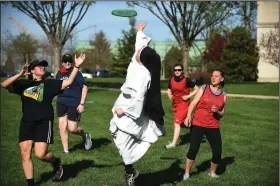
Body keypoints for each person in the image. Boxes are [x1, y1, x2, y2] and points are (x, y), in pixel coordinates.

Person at [1, 54, 86, 186]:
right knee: (25, 153)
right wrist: (20, 74)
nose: (42, 67)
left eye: (43, 66)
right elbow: (4, 84)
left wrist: (77, 66)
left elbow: (68, 82)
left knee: (40, 154)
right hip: (27, 122)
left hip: (44, 121)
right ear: (32, 70)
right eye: (39, 66)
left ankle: (55, 162)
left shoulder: (50, 84)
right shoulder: (23, 84)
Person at [109, 22, 165, 186]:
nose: (137, 51)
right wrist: (140, 32)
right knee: (119, 139)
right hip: (123, 106)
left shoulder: (144, 76)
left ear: (144, 59)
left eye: (139, 52)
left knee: (124, 144)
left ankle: (129, 173)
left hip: (130, 112)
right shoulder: (136, 62)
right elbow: (139, 46)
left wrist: (124, 111)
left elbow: (139, 98)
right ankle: (130, 170)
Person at [182, 70, 227, 181]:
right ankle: (187, 173)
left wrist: (217, 111)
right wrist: (188, 116)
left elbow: (222, 114)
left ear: (222, 79)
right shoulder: (204, 88)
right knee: (193, 149)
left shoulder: (223, 95)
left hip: (213, 126)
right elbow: (193, 103)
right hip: (198, 124)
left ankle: (212, 173)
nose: (213, 77)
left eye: (216, 76)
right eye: (212, 76)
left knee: (217, 151)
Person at [56, 53, 92, 153]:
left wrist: (82, 103)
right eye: (65, 61)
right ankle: (66, 151)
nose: (67, 63)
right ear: (62, 63)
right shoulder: (59, 74)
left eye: (69, 61)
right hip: (61, 102)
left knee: (72, 129)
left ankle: (85, 135)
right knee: (62, 127)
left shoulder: (76, 72)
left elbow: (84, 87)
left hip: (74, 103)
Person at [165, 64, 198, 148]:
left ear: (182, 71)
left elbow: (196, 89)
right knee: (183, 123)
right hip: (175, 104)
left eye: (179, 70)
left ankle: (173, 143)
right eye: (175, 70)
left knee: (176, 123)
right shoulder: (171, 80)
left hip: (184, 104)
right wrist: (169, 95)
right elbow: (169, 90)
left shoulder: (186, 80)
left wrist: (188, 96)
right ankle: (197, 128)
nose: (177, 71)